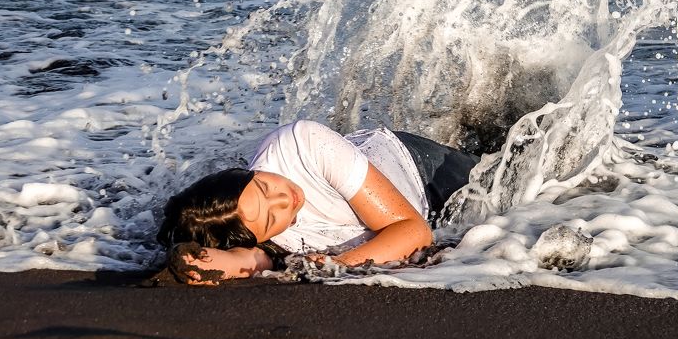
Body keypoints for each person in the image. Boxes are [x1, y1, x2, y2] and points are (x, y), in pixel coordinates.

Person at [157, 120, 479, 284]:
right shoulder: (267, 244)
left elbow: (414, 232)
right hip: (428, 216)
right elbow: (239, 260)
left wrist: (340, 265)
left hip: (424, 169)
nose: (285, 199)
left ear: (247, 172)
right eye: (271, 219)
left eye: (265, 187)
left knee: (520, 176)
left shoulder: (301, 144)